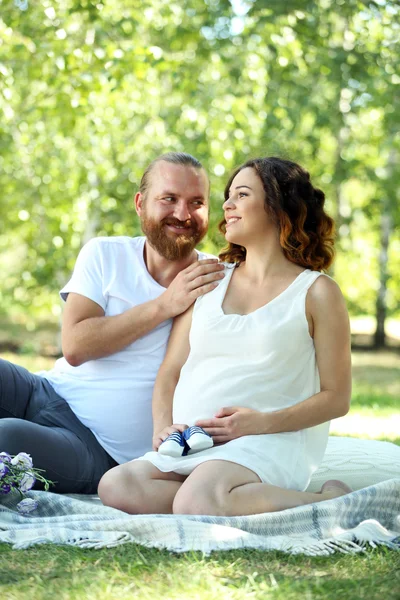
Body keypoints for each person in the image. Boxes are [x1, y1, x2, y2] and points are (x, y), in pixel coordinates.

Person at [98, 156, 352, 516]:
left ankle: (327, 503)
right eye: (228, 196)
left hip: (268, 441)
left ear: (278, 207)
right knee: (117, 485)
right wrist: (163, 428)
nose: (227, 206)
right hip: (194, 445)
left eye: (242, 195)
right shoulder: (209, 279)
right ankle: (218, 499)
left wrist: (259, 422)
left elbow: (336, 398)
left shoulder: (317, 292)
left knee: (195, 499)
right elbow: (170, 372)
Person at [0, 152, 225, 494]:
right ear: (140, 203)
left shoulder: (216, 279)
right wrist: (166, 303)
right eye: (169, 199)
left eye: (196, 202)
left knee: (7, 436)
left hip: (97, 449)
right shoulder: (104, 253)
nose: (183, 214)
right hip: (44, 391)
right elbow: (75, 346)